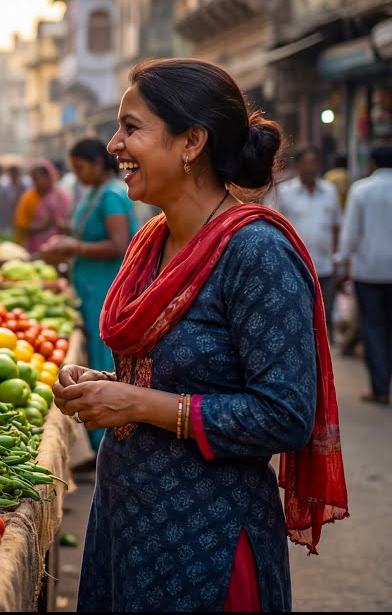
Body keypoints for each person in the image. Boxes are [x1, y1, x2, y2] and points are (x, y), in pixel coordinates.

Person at [55, 58, 348, 612]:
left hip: (207, 537)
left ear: (191, 142)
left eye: (132, 127)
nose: (115, 144)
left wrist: (138, 402)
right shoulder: (154, 242)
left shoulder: (255, 253)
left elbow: (285, 413)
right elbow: (159, 376)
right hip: (129, 520)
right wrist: (104, 385)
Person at [39, 138, 137, 451]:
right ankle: (95, 440)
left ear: (97, 163)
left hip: (106, 288)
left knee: (101, 358)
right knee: (94, 357)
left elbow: (118, 243)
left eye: (81, 168)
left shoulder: (111, 195)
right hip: (89, 287)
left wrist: (74, 247)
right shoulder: (94, 192)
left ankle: (103, 440)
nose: (78, 174)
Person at [263, 145, 342, 339]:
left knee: (325, 316)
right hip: (295, 267)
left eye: (313, 163)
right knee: (300, 316)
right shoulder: (283, 192)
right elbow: (270, 227)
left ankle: (324, 357)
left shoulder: (330, 191)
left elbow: (336, 227)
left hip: (324, 266)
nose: (310, 168)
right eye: (305, 163)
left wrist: (337, 260)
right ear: (297, 165)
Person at [336, 145, 392, 405]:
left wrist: (342, 262)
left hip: (369, 271)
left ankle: (380, 388)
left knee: (373, 328)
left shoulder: (362, 190)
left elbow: (350, 233)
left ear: (371, 163)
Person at [14, 160, 70, 254]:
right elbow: (22, 227)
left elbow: (70, 225)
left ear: (49, 177)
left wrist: (56, 223)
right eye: (33, 179)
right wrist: (43, 225)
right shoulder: (28, 198)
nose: (35, 182)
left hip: (59, 250)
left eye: (37, 178)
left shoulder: (62, 197)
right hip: (34, 250)